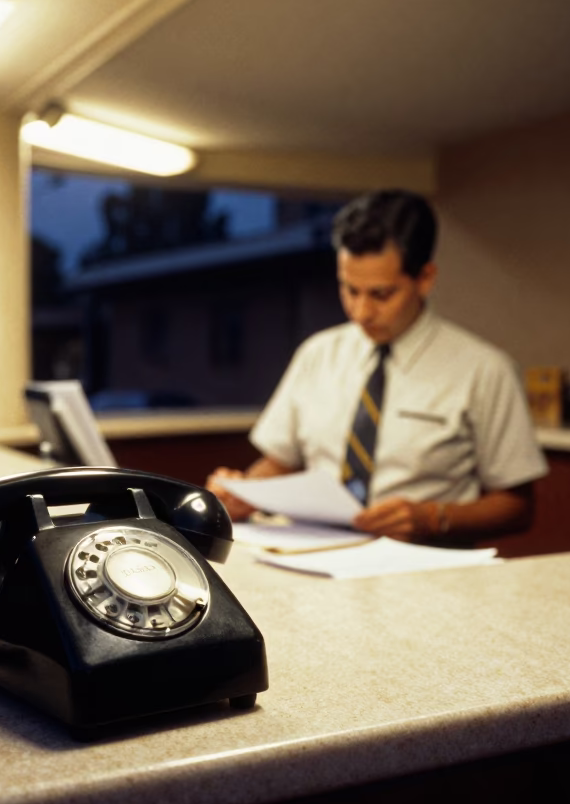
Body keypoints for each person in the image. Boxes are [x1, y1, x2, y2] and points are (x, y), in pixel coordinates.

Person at [206, 189, 547, 545]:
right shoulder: (318, 354)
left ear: (425, 279)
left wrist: (433, 518)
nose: (361, 312)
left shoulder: (485, 370)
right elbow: (279, 462)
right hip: (313, 554)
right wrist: (246, 493)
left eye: (381, 294)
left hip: (425, 568)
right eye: (350, 290)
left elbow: (518, 506)